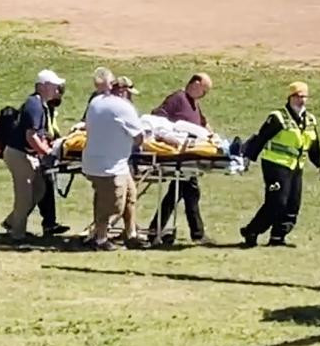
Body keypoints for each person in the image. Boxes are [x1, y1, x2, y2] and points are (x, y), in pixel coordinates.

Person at [239, 81, 320, 248]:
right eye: (297, 96)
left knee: (293, 203)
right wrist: (248, 159)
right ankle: (252, 230)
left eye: (304, 97)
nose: (301, 100)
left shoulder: (310, 119)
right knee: (277, 202)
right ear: (290, 97)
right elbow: (261, 138)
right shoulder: (278, 117)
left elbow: (314, 144)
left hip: (296, 166)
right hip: (275, 164)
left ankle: (278, 236)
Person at [83, 69, 147, 251]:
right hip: (109, 166)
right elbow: (139, 137)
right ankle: (100, 239)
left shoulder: (95, 102)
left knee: (129, 197)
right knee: (111, 205)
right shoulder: (123, 107)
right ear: (123, 91)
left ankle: (130, 234)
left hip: (108, 162)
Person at [147, 73, 215, 246]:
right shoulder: (177, 98)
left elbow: (203, 125)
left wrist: (213, 137)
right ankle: (197, 234)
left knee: (177, 193)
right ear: (196, 84)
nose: (204, 95)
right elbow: (157, 118)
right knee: (189, 192)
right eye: (204, 91)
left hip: (188, 155)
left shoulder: (194, 104)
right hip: (179, 155)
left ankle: (156, 228)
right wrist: (166, 137)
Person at [1, 69, 64, 241]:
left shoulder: (41, 104)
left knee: (39, 190)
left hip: (26, 154)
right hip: (19, 154)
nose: (57, 89)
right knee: (25, 196)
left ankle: (11, 222)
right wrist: (47, 153)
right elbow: (32, 136)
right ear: (43, 86)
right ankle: (18, 234)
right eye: (54, 86)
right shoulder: (34, 105)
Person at [35, 82, 70, 236]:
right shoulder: (42, 108)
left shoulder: (50, 110)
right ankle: (48, 223)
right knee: (42, 189)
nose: (59, 98)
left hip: (45, 152)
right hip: (40, 153)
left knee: (44, 189)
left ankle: (50, 222)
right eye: (58, 94)